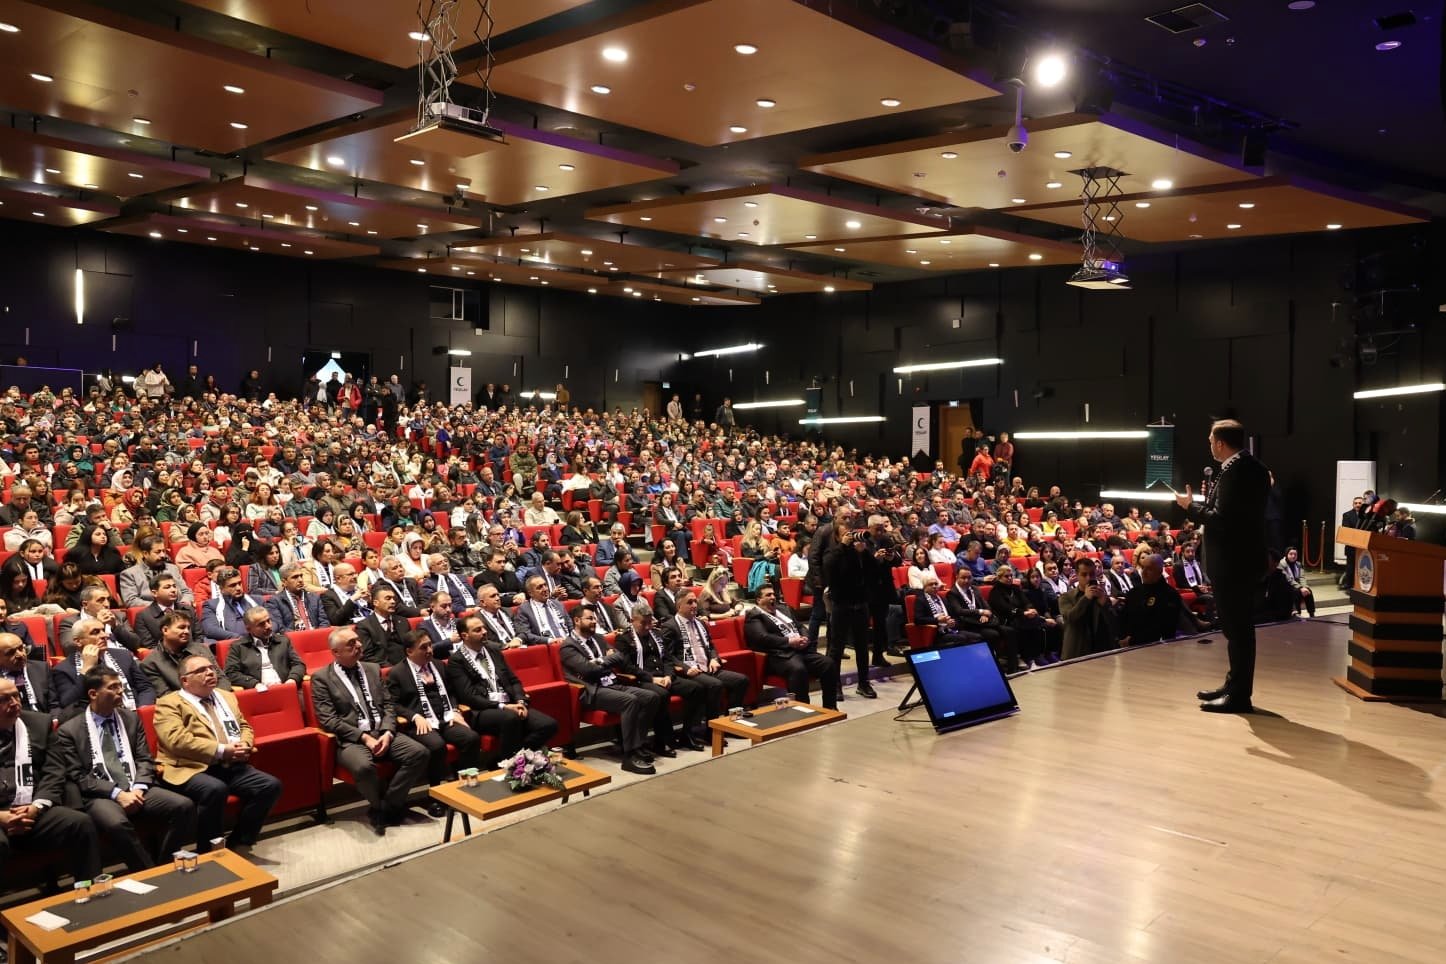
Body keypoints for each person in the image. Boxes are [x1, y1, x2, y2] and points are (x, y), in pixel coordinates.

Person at [54, 665, 196, 871]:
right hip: (100, 794)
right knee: (116, 824)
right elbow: (78, 776)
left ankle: (164, 865)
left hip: (136, 785)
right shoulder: (69, 731)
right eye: (113, 687)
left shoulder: (130, 718)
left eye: (120, 686)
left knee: (183, 806)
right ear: (93, 694)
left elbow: (144, 758)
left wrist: (139, 787)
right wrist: (117, 794)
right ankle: (147, 872)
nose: (120, 691)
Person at [1176, 419, 1270, 713]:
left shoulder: (1236, 472)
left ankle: (1239, 696)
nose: (1209, 445)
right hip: (1240, 560)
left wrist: (1190, 506)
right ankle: (1233, 684)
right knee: (1236, 630)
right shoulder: (1251, 467)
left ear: (1220, 442)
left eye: (1210, 440)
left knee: (1238, 631)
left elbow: (1222, 520)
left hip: (1233, 563)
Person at [153, 654, 283, 851]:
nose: (209, 673)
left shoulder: (226, 696)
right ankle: (209, 850)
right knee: (214, 789)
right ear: (185, 680)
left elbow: (244, 726)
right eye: (201, 671)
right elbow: (176, 740)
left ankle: (239, 841)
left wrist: (244, 744)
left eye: (211, 668)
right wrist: (221, 750)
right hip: (189, 767)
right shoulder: (169, 703)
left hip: (229, 765)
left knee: (270, 786)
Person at [309, 626, 429, 836]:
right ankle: (380, 806)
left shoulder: (372, 668)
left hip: (382, 731)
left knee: (419, 753)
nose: (358, 645)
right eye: (351, 644)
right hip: (352, 739)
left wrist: (388, 732)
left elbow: (389, 705)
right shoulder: (322, 678)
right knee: (363, 767)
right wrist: (364, 737)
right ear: (336, 652)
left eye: (357, 640)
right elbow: (329, 720)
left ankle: (387, 806)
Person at [0, 676, 104, 886]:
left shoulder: (39, 723)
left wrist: (36, 807)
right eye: (4, 699)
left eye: (16, 696)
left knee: (80, 824)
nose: (14, 703)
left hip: (32, 808)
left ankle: (90, 891)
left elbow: (54, 771)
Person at [386, 631, 481, 814]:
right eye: (423, 647)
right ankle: (437, 794)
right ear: (409, 651)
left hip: (445, 717)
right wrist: (414, 716)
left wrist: (455, 710)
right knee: (436, 746)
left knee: (471, 738)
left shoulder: (438, 665)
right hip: (419, 722)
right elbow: (392, 704)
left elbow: (451, 692)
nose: (430, 650)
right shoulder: (397, 673)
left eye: (430, 645)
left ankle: (463, 784)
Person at [558, 604, 660, 775]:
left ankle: (637, 744)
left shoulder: (598, 638)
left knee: (651, 697)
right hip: (591, 691)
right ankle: (629, 756)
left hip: (611, 684)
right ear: (576, 620)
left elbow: (619, 657)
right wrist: (606, 659)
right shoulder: (568, 646)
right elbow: (587, 670)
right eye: (589, 618)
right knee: (630, 701)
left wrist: (599, 661)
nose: (594, 621)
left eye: (594, 618)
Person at [445, 614, 558, 758]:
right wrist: (503, 707)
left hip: (510, 703)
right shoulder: (457, 661)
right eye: (478, 630)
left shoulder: (493, 650)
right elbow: (469, 697)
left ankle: (513, 759)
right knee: (510, 718)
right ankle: (512, 761)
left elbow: (513, 680)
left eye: (483, 628)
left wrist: (520, 701)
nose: (484, 632)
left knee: (548, 725)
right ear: (464, 636)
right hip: (482, 710)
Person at [614, 606, 705, 752]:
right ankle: (662, 740)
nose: (647, 626)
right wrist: (652, 679)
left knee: (696, 688)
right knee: (662, 694)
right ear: (632, 620)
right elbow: (627, 666)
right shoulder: (623, 638)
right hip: (642, 680)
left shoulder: (656, 634)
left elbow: (668, 659)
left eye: (650, 622)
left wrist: (668, 675)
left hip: (664, 676)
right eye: (643, 623)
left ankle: (687, 733)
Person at [664, 591, 750, 726]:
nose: (694, 605)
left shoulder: (700, 623)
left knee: (741, 680)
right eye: (689, 602)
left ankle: (730, 723)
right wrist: (686, 668)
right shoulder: (670, 626)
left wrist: (714, 658)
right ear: (679, 606)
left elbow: (711, 646)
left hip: (708, 667)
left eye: (695, 602)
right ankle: (712, 729)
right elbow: (668, 655)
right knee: (715, 685)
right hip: (691, 670)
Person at [744, 585, 838, 710]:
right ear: (758, 600)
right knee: (798, 669)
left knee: (828, 663)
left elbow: (800, 626)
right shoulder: (754, 615)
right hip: (778, 656)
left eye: (773, 594)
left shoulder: (783, 609)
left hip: (800, 650)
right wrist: (789, 642)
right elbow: (762, 638)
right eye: (768, 595)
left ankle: (830, 707)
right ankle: (803, 710)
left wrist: (805, 638)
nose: (773, 597)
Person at [50, 618, 155, 720]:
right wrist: (86, 669)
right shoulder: (63, 669)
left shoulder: (123, 655)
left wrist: (143, 711)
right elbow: (69, 704)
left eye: (103, 630)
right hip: (95, 721)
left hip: (133, 714)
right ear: (78, 641)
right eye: (95, 632)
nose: (104, 635)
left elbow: (145, 688)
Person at [1118, 554, 1191, 646]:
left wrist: (1132, 641)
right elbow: (1124, 618)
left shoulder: (1169, 594)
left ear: (1159, 572)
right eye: (1143, 568)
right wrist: (1122, 638)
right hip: (1129, 644)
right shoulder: (1133, 592)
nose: (1144, 572)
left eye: (1149, 569)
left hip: (1157, 646)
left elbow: (1162, 628)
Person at [224, 607, 306, 690]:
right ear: (249, 629)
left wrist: (292, 679)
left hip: (287, 688)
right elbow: (231, 673)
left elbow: (298, 664)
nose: (268, 626)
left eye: (268, 621)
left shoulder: (283, 641)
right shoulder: (238, 647)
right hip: (258, 693)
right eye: (261, 624)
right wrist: (254, 684)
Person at [1057, 557, 1114, 661]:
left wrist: (1104, 604)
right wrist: (1086, 598)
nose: (1088, 578)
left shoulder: (1101, 595)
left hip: (1102, 651)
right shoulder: (1066, 597)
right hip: (1077, 652)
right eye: (1084, 574)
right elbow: (1071, 618)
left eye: (1091, 574)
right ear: (1077, 575)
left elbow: (1112, 621)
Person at [1277, 547, 1315, 617]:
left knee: (1308, 591)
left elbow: (1302, 577)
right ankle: (1297, 613)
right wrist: (1300, 588)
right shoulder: (1281, 564)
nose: (1293, 556)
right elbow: (1288, 579)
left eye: (1295, 554)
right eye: (1291, 554)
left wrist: (1304, 587)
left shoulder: (1298, 564)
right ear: (1286, 555)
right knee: (1296, 591)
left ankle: (1311, 613)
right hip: (1286, 585)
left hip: (1296, 585)